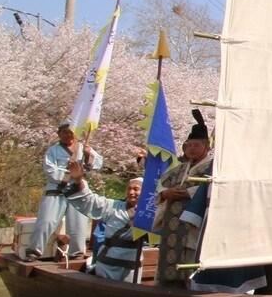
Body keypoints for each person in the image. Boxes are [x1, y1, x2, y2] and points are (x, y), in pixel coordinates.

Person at [153, 110, 213, 287]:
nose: (191, 149)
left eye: (196, 145)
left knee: (190, 262)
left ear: (206, 147)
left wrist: (190, 193)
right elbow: (160, 185)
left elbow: (212, 186)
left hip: (194, 225)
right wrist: (165, 194)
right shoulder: (178, 168)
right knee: (168, 261)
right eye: (189, 145)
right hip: (172, 224)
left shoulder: (212, 166)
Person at [26, 122, 103, 260]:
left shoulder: (83, 148)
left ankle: (77, 253)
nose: (68, 135)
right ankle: (34, 250)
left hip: (78, 190)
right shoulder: (52, 150)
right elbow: (50, 170)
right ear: (59, 134)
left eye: (71, 132)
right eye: (65, 132)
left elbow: (97, 164)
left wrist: (88, 156)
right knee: (47, 221)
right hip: (56, 190)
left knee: (78, 224)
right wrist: (69, 176)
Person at [63, 160, 142, 282]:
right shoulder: (113, 206)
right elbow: (90, 200)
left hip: (133, 265)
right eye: (129, 189)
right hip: (108, 263)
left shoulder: (149, 213)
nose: (131, 192)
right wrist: (79, 180)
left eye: (136, 189)